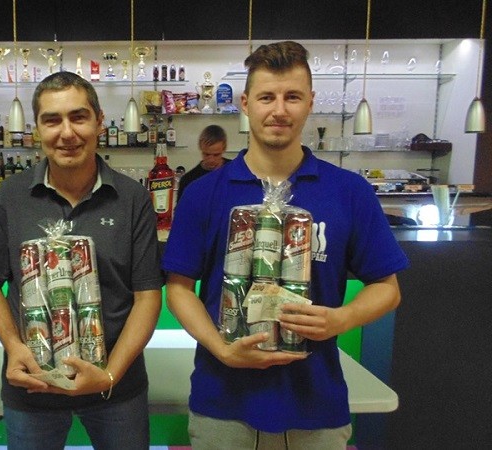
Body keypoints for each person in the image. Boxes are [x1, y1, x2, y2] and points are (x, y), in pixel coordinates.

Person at [162, 41, 409, 449]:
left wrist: (341, 319)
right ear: (245, 104)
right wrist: (221, 348)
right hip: (222, 404)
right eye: (266, 97)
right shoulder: (203, 193)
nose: (279, 110)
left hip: (317, 407)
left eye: (292, 97)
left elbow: (388, 288)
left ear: (310, 102)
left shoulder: (349, 191)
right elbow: (178, 289)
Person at [0, 71, 163, 450]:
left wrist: (109, 375)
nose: (67, 133)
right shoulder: (10, 196)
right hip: (33, 384)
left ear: (99, 122)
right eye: (52, 120)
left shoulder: (132, 198)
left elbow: (147, 296)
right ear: (36, 128)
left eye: (78, 117)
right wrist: (14, 346)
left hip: (117, 388)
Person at [176, 124, 229, 201]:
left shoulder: (235, 172)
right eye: (206, 154)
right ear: (200, 147)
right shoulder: (188, 180)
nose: (211, 160)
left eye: (216, 155)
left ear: (224, 148)